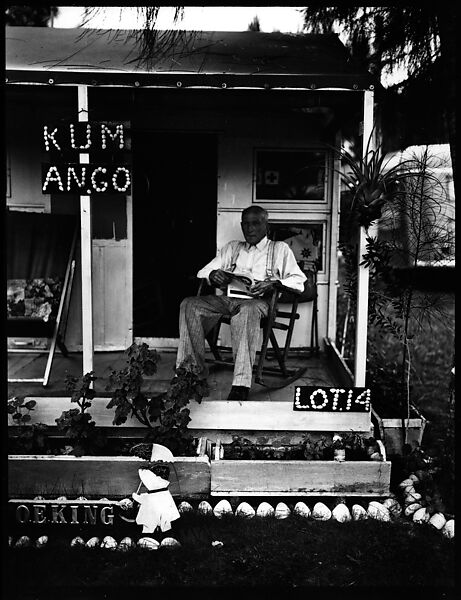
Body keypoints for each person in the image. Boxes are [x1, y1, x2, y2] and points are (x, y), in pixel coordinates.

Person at [176, 205, 306, 401]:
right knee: (189, 304)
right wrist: (214, 274)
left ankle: (241, 383)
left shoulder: (279, 249)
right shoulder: (232, 248)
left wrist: (273, 283)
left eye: (255, 223)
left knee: (246, 311)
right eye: (246, 224)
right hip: (228, 300)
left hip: (258, 303)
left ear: (266, 225)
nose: (250, 228)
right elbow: (202, 271)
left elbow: (299, 281)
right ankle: (191, 374)